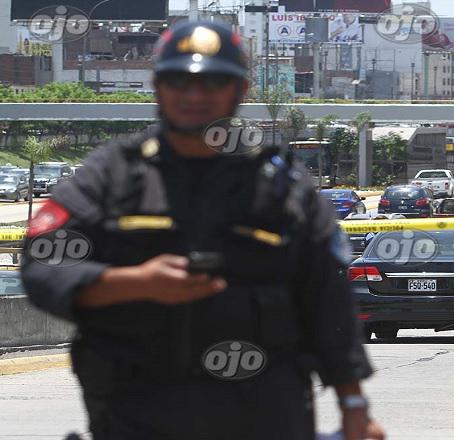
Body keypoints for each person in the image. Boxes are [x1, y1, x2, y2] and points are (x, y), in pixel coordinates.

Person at [20, 20, 384, 440]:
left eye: (212, 83)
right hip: (137, 416)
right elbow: (43, 265)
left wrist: (354, 404)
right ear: (158, 86)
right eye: (179, 81)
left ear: (240, 91)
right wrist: (134, 283)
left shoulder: (283, 187)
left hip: (266, 417)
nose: (194, 95)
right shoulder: (112, 176)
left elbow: (327, 300)